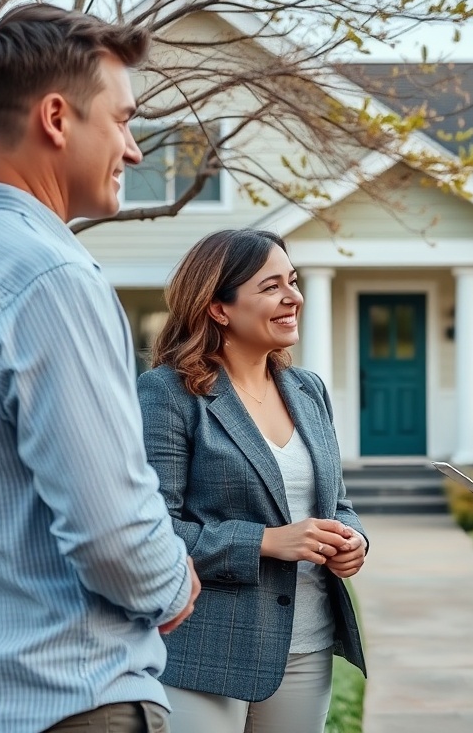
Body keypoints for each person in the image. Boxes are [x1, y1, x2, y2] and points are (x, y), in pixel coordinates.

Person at [0, 4, 200, 733]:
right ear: (57, 118)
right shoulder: (51, 278)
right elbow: (115, 536)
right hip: (68, 700)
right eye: (122, 121)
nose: (133, 151)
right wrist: (173, 581)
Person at [136, 228, 368, 733]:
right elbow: (151, 531)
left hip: (307, 645)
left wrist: (353, 540)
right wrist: (265, 541)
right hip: (205, 650)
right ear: (219, 308)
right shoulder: (168, 394)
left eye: (293, 281)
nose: (293, 298)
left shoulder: (307, 390)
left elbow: (337, 504)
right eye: (271, 287)